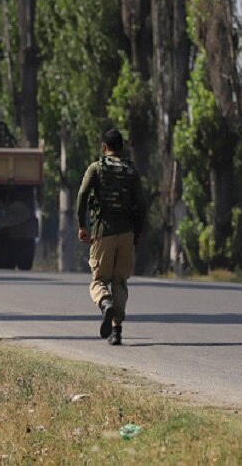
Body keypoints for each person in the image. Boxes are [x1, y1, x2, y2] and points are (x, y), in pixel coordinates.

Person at [76, 129, 146, 345]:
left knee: (98, 280)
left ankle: (105, 302)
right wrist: (139, 232)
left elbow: (82, 195)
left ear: (104, 147)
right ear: (122, 147)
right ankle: (117, 332)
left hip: (103, 232)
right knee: (120, 282)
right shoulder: (131, 171)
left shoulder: (96, 168)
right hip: (126, 234)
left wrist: (82, 225)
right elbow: (142, 204)